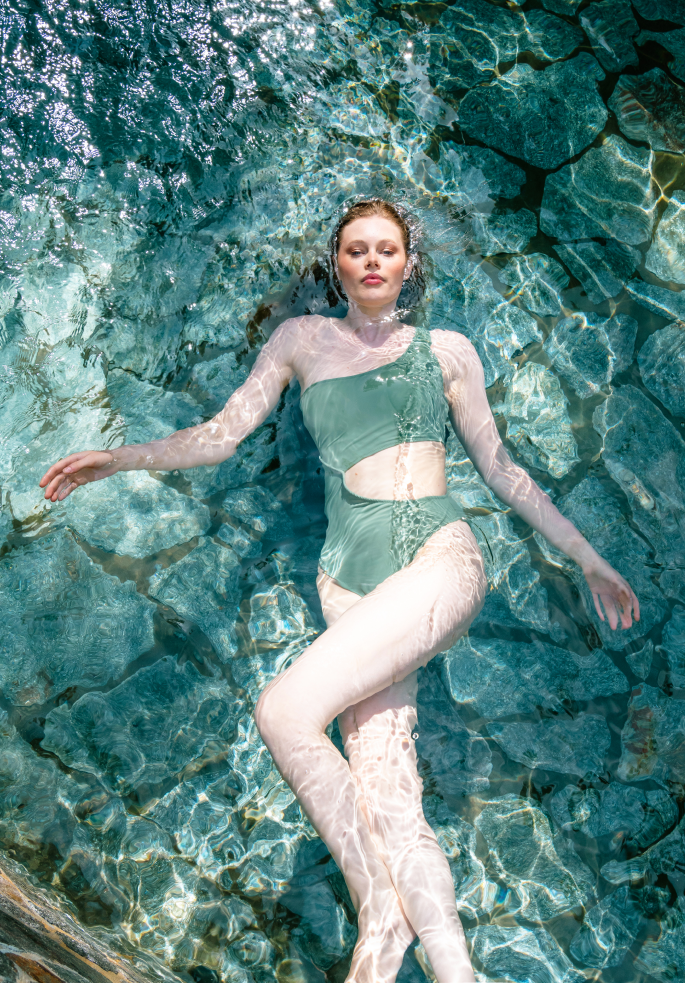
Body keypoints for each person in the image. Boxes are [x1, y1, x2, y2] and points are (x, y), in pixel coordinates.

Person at [40, 198, 639, 983]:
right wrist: (119, 459)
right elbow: (222, 436)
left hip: (436, 558)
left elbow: (502, 471)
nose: (371, 262)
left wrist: (587, 557)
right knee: (389, 793)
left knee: (285, 711)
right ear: (336, 264)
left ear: (408, 264)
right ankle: (452, 966)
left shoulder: (448, 351)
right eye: (355, 250)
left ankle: (380, 914)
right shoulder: (299, 341)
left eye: (385, 250)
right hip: (344, 585)